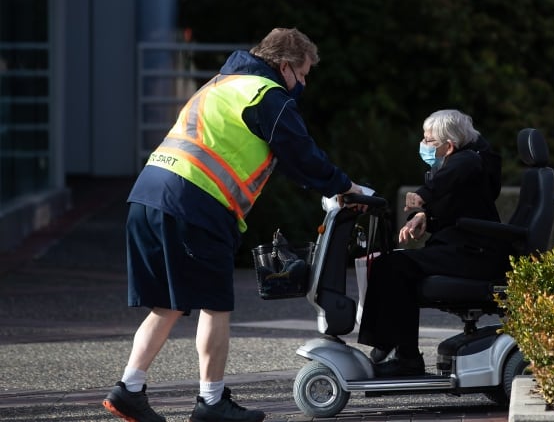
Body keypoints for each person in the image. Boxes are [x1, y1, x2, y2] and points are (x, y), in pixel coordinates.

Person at [102, 28, 364, 422]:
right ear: (285, 65)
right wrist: (347, 187)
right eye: (304, 73)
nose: (304, 83)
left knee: (168, 305)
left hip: (149, 194)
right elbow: (301, 155)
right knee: (215, 305)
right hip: (197, 203)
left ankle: (129, 389)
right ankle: (211, 402)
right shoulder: (266, 95)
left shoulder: (221, 83)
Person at [357, 109, 512, 377]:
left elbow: (461, 170)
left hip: (474, 254)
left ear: (449, 146)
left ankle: (398, 353)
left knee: (392, 265)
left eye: (429, 141)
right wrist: (424, 216)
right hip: (467, 249)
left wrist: (423, 197)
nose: (423, 145)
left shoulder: (468, 161)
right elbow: (454, 202)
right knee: (393, 264)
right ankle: (393, 348)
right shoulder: (467, 161)